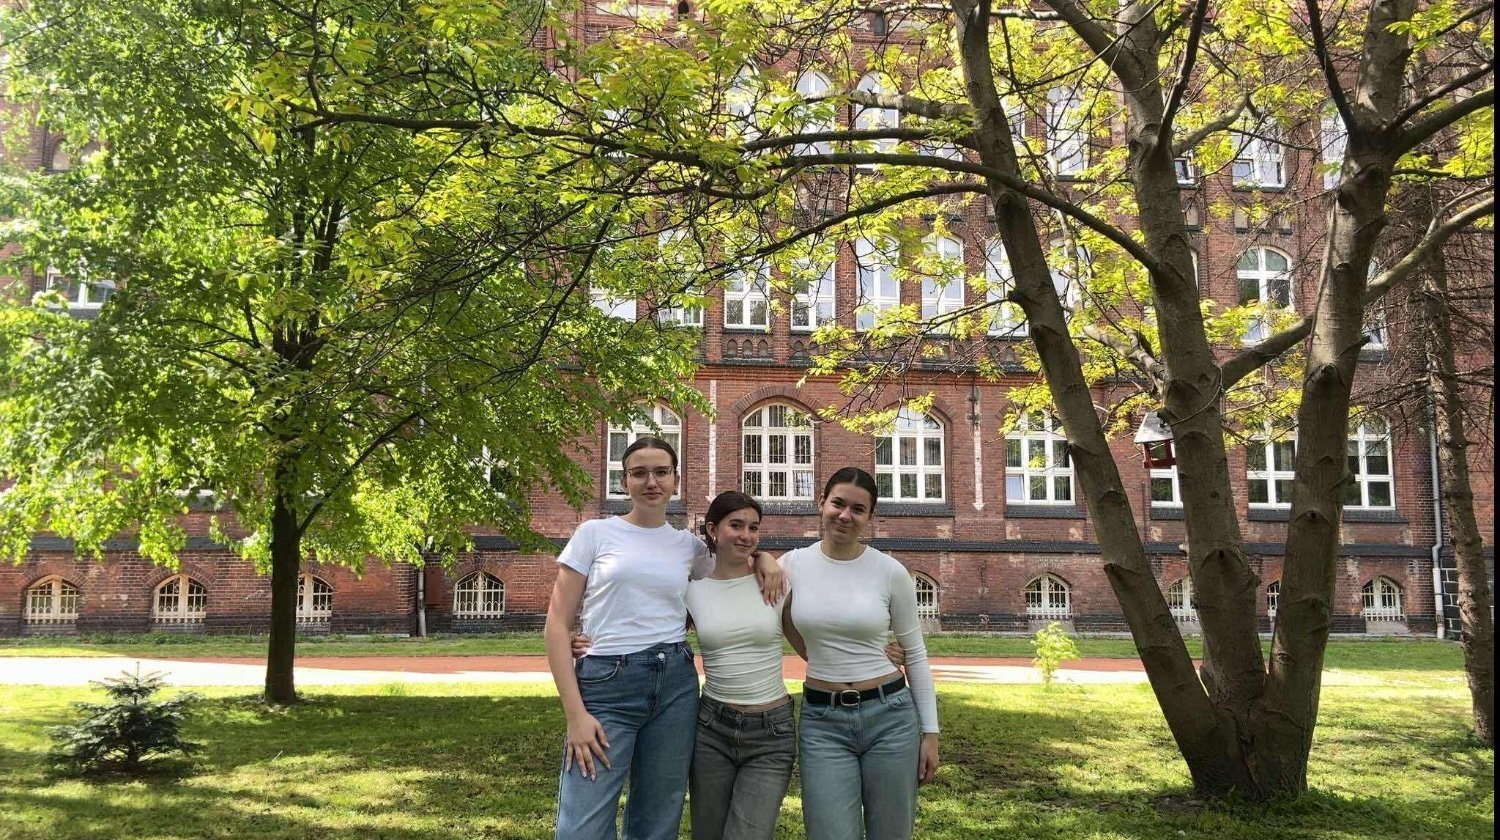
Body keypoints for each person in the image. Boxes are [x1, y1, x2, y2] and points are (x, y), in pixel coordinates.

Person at [544, 437, 779, 840]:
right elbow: (556, 624)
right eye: (639, 473)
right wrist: (575, 715)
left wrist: (765, 557)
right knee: (581, 826)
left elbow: (731, 561)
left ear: (675, 480)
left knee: (657, 819)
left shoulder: (689, 547)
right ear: (624, 482)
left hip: (674, 685)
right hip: (607, 684)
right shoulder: (594, 533)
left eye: (661, 472)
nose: (651, 481)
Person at [780, 466, 940, 840]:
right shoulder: (791, 566)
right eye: (837, 503)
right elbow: (777, 620)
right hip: (822, 721)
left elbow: (915, 654)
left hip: (890, 718)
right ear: (821, 503)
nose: (845, 515)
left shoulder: (889, 572)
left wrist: (931, 732)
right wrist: (820, 656)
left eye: (858, 509)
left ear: (870, 516)